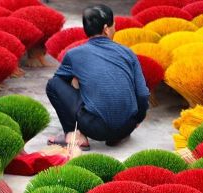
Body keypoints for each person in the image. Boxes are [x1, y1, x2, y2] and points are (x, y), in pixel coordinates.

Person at [45, 4, 149, 150]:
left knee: (53, 84)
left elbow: (60, 83)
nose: (115, 29)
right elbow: (143, 94)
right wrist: (137, 119)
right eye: (114, 26)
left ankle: (74, 136)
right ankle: (117, 136)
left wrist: (79, 82)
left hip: (95, 129)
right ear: (106, 29)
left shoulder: (75, 54)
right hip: (128, 126)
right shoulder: (127, 53)